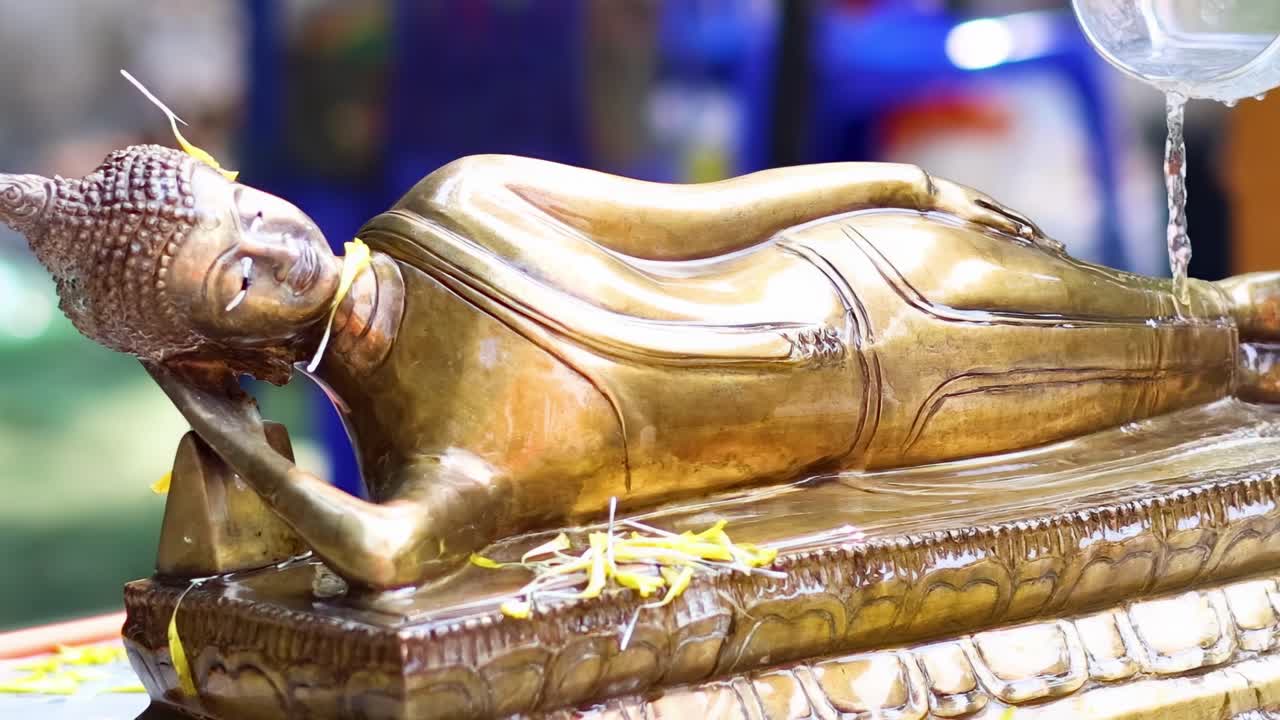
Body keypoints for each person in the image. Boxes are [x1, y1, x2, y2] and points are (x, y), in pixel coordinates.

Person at [0, 145, 1271, 587]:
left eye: (251, 214)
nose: (276, 251)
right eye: (236, 280)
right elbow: (381, 558)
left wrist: (901, 181)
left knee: (1206, 307)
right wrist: (208, 423)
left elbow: (708, 215)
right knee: (1215, 371)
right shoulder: (428, 455)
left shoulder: (462, 202)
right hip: (905, 413)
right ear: (225, 348)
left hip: (875, 271)